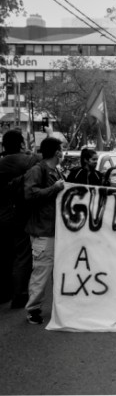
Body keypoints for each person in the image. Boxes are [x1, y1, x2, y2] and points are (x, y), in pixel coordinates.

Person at [24, 137, 66, 325]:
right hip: (43, 231)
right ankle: (33, 309)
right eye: (61, 149)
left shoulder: (55, 171)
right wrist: (54, 188)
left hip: (56, 230)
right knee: (41, 271)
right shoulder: (37, 170)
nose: (63, 152)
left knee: (57, 271)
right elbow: (30, 194)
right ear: (57, 152)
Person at [0, 130, 41, 308]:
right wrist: (46, 136)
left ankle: (4, 292)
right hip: (17, 215)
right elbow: (40, 157)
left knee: (4, 254)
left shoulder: (2, 161)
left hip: (2, 215)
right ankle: (20, 294)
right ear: (21, 143)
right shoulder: (22, 160)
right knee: (22, 255)